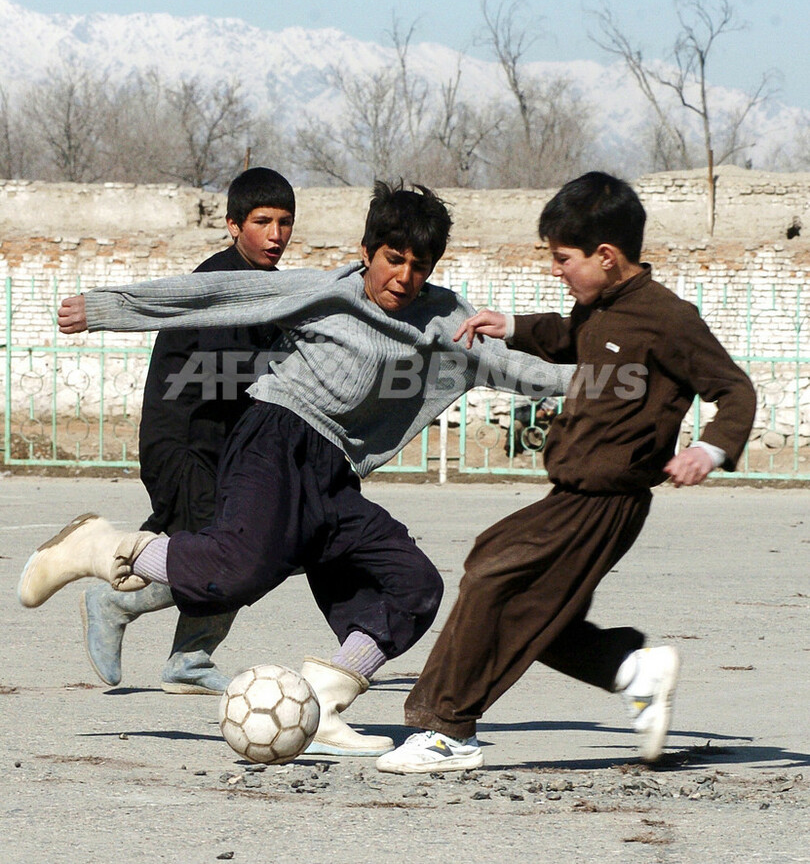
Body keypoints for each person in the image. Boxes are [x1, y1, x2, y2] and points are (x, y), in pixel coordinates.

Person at [19, 180, 575, 758]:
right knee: (236, 572)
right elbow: (215, 295)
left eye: (419, 264)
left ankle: (324, 702)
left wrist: (618, 380)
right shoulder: (323, 292)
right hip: (275, 439)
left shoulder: (444, 316)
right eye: (393, 259)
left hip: (333, 473)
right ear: (366, 252)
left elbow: (517, 370)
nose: (404, 277)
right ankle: (100, 548)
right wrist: (110, 308)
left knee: (414, 587)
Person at [376, 171, 757, 774]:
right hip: (572, 494)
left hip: (607, 501)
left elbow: (734, 391)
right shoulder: (598, 307)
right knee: (537, 612)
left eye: (563, 258)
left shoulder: (669, 320)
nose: (557, 269)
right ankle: (630, 669)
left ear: (605, 257)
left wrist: (708, 452)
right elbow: (567, 336)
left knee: (494, 576)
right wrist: (515, 328)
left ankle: (447, 731)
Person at [81, 166, 295, 696]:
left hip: (223, 448)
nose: (275, 235)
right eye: (262, 221)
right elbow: (228, 371)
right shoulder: (214, 284)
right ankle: (115, 602)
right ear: (232, 225)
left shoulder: (270, 288)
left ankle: (189, 658)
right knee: (229, 559)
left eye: (284, 222)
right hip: (181, 443)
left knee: (240, 550)